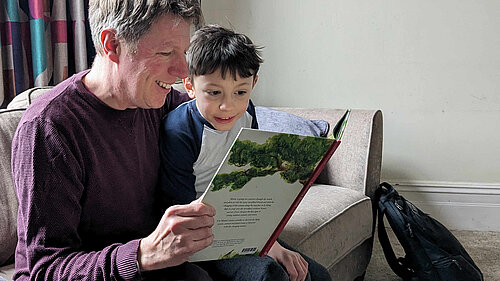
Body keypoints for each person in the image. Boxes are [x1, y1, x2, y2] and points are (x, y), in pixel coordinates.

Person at [11, 1, 217, 280]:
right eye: (166, 52)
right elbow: (44, 269)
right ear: (113, 45)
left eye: (184, 52)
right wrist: (143, 255)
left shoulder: (163, 104)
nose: (182, 71)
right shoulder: (50, 128)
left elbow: (222, 121)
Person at [158, 25, 332, 281]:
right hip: (202, 235)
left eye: (240, 91)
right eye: (214, 92)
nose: (228, 105)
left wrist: (273, 244)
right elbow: (182, 214)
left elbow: (253, 182)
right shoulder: (180, 131)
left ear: (254, 84)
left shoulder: (247, 113)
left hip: (243, 222)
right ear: (190, 85)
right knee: (267, 274)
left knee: (316, 275)